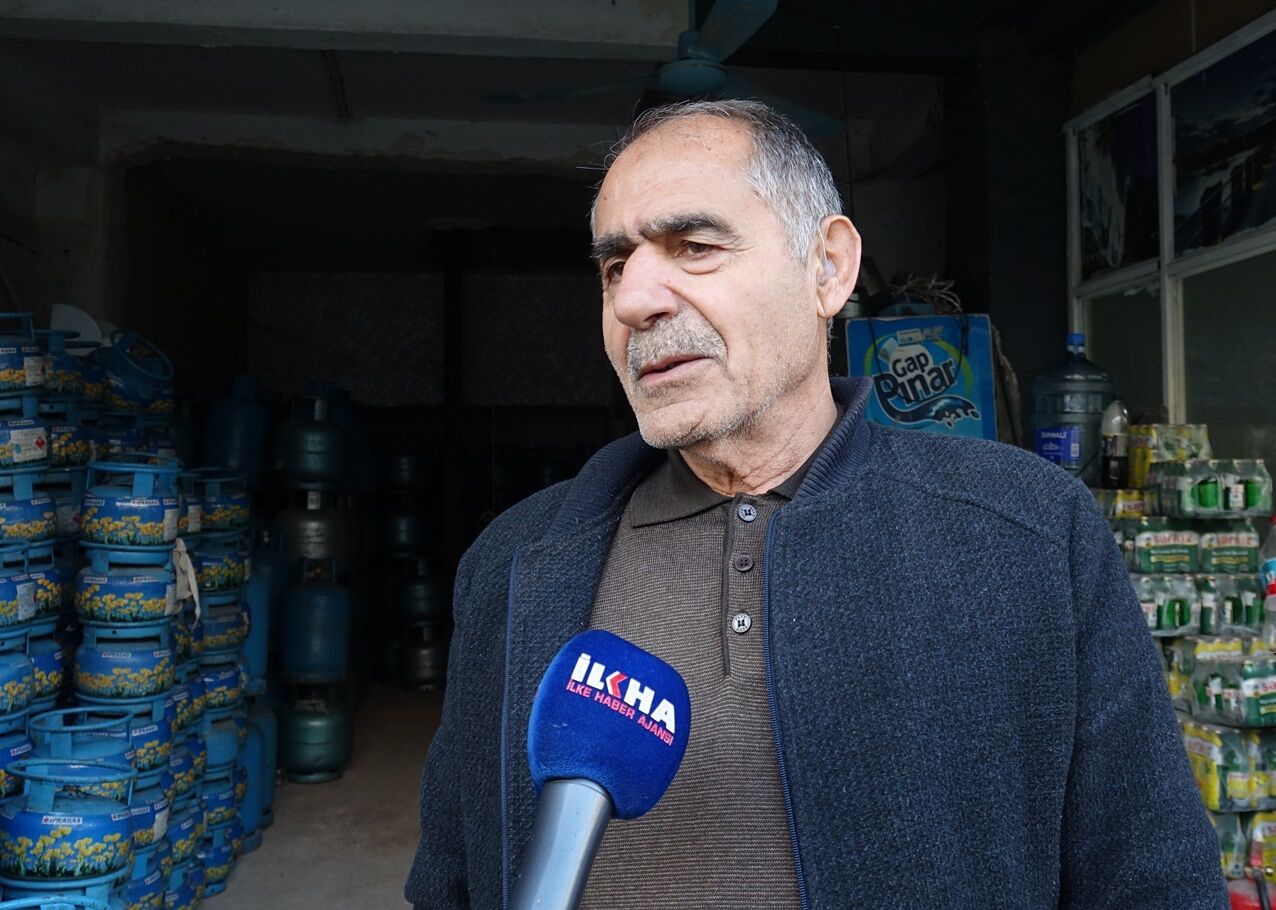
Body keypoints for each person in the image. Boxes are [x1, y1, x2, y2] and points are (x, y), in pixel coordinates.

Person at [406, 99, 1226, 909]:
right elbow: (451, 880)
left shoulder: (1031, 533)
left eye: (694, 247)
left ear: (828, 268)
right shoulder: (513, 561)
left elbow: (1153, 880)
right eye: (616, 266)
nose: (632, 302)